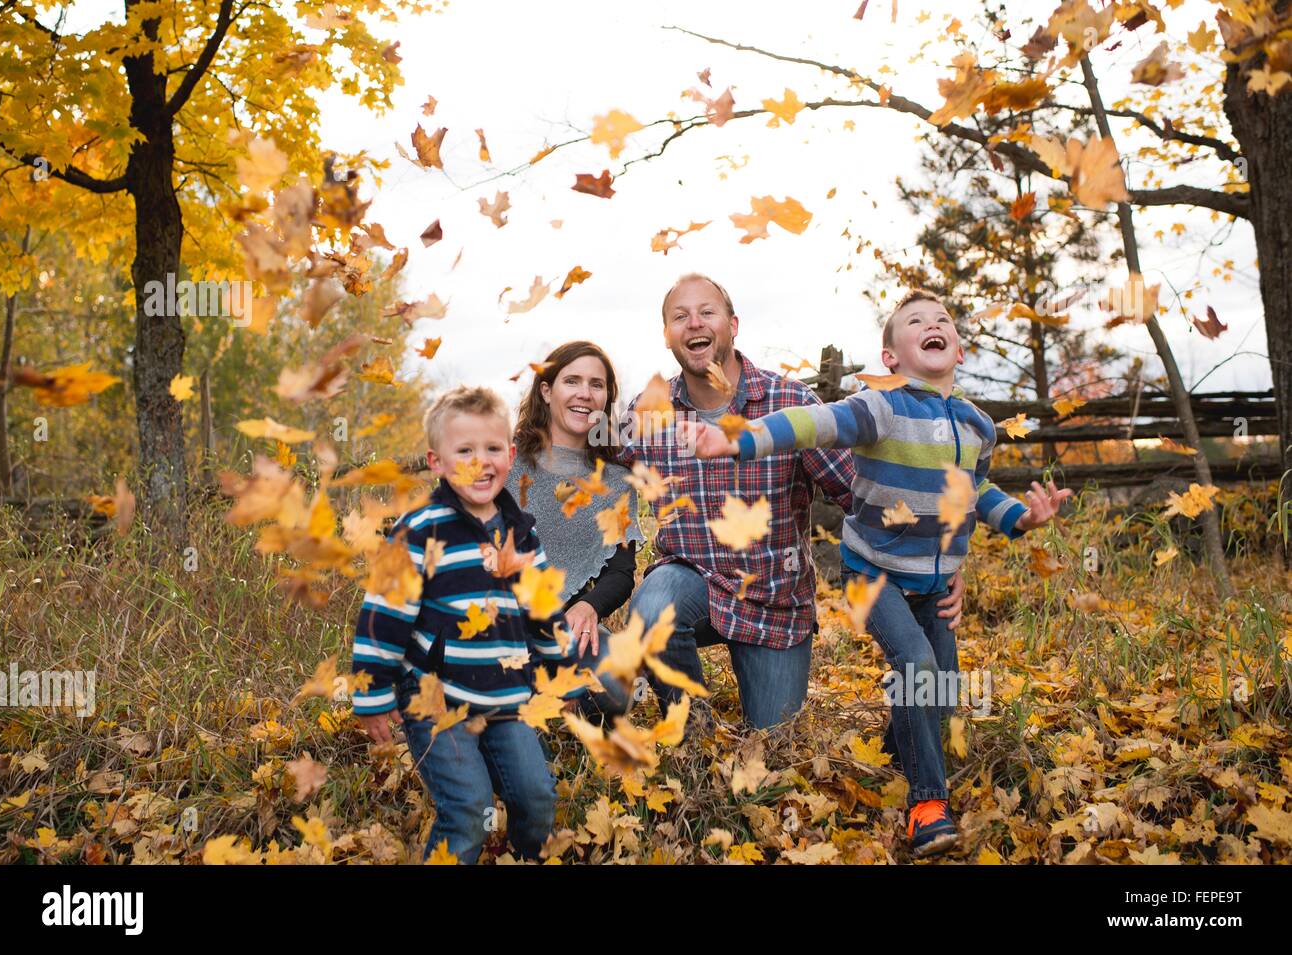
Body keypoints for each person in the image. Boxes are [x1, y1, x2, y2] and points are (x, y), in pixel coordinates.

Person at [686, 288, 1071, 857]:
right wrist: (742, 438)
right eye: (915, 321)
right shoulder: (881, 405)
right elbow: (814, 422)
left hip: (935, 581)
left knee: (939, 690)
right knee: (915, 666)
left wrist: (1024, 519)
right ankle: (927, 805)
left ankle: (900, 747)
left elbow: (977, 489)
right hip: (872, 574)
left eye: (943, 319)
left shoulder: (978, 426)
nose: (932, 324)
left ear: (959, 350)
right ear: (891, 356)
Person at [618, 272, 967, 730]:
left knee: (773, 748)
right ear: (667, 335)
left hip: (774, 606)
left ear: (733, 324)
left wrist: (941, 561)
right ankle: (692, 735)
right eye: (679, 317)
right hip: (690, 583)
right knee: (652, 605)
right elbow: (589, 470)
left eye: (707, 312)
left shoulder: (789, 402)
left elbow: (861, 495)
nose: (694, 323)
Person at [350, 385, 582, 864]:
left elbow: (542, 611)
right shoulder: (419, 531)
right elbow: (383, 615)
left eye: (493, 449)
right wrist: (372, 693)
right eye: (465, 451)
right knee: (468, 811)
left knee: (537, 798)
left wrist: (564, 676)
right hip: (436, 703)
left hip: (507, 698)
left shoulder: (521, 532)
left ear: (511, 455)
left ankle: (526, 855)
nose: (481, 462)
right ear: (436, 462)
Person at [507, 341, 642, 717]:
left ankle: (557, 699)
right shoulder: (507, 462)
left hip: (567, 628)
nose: (585, 393)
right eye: (572, 381)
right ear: (547, 391)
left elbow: (621, 572)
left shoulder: (615, 479)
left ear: (606, 398)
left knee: (618, 685)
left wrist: (588, 605)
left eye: (597, 385)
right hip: (499, 623)